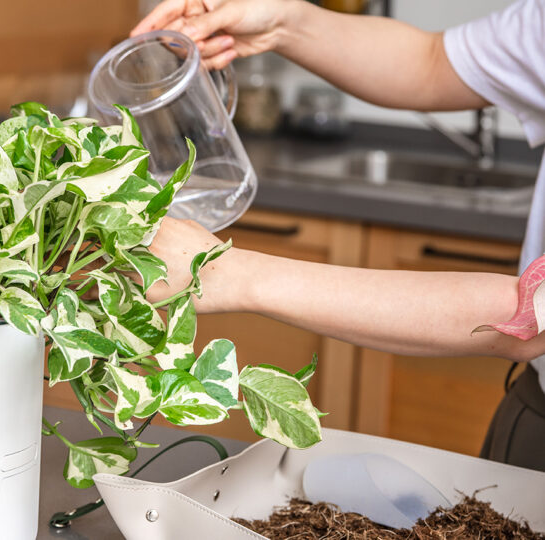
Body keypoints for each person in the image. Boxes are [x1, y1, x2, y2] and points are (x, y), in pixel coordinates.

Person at [132, 0, 545, 471]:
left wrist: (228, 273)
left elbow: (529, 320)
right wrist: (284, 21)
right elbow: (431, 63)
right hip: (530, 402)